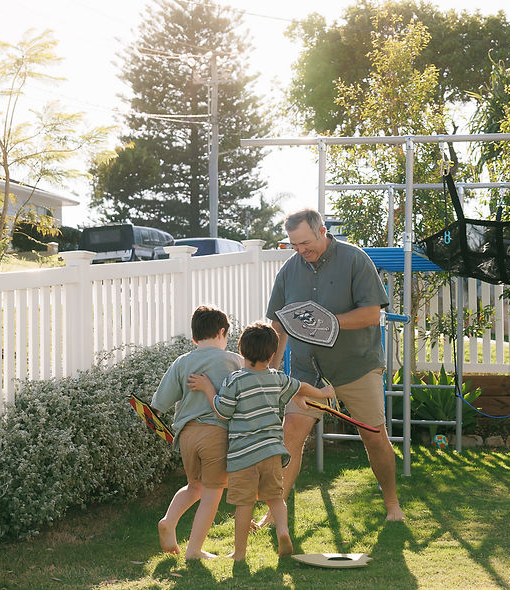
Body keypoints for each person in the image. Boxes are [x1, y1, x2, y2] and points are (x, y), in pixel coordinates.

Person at [264, 208, 405, 523]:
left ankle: (392, 505)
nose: (301, 250)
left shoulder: (355, 260)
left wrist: (325, 323)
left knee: (373, 436)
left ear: (322, 230)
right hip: (307, 372)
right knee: (290, 438)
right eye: (294, 245)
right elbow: (279, 326)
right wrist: (270, 372)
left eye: (305, 242)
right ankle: (274, 514)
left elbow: (370, 315)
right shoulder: (288, 272)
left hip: (356, 367)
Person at [188, 321, 335, 561]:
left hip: (243, 456)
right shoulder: (277, 378)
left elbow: (222, 411)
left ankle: (239, 553)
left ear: (241, 350)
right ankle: (283, 531)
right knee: (275, 497)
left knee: (244, 504)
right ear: (273, 354)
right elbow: (302, 388)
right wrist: (324, 394)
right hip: (272, 452)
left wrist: (207, 389)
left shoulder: (234, 380)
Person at [151, 305, 242, 559]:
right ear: (222, 332)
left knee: (194, 486)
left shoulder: (182, 362)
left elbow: (159, 403)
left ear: (193, 338)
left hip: (187, 435)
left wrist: (155, 419)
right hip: (216, 433)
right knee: (213, 492)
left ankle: (169, 520)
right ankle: (194, 550)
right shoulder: (234, 360)